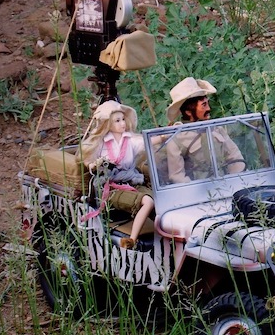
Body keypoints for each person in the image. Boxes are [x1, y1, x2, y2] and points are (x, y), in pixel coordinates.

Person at [77, 100, 154, 249]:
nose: (122, 123)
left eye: (123, 119)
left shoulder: (130, 139)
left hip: (131, 181)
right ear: (108, 124)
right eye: (117, 121)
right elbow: (87, 158)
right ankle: (132, 239)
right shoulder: (101, 143)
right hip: (111, 188)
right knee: (148, 202)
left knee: (157, 201)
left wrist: (164, 136)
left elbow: (147, 142)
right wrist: (95, 165)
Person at [165, 77, 245, 183]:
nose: (208, 109)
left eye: (208, 103)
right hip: (198, 192)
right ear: (189, 112)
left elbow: (235, 157)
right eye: (204, 105)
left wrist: (235, 182)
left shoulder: (217, 129)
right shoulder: (176, 139)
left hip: (227, 184)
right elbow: (177, 176)